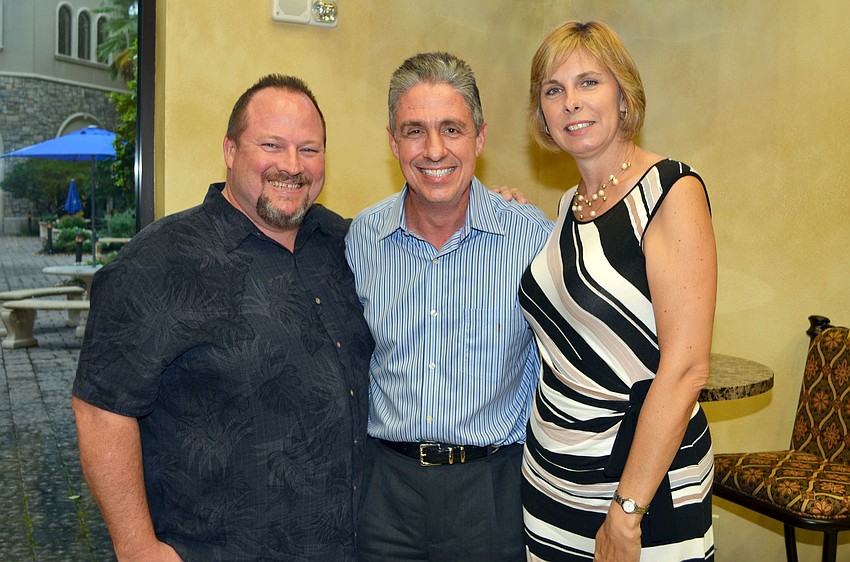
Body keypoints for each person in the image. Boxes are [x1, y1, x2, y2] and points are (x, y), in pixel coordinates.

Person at [71, 74, 374, 561]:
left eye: (310, 150)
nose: (292, 166)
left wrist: (494, 207)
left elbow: (420, 236)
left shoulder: (346, 243)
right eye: (271, 145)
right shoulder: (156, 263)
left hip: (348, 545)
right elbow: (101, 409)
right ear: (230, 150)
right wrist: (136, 547)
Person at [519, 20, 717, 561]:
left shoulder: (671, 192)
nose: (570, 103)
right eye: (552, 90)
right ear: (542, 115)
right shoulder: (566, 208)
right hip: (554, 481)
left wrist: (627, 511)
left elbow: (686, 368)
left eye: (588, 83)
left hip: (639, 490)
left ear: (623, 95)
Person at [345, 52, 553, 561]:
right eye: (414, 131)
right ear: (393, 143)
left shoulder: (534, 239)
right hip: (384, 494)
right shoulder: (359, 239)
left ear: (480, 137)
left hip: (493, 492)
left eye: (452, 129)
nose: (434, 150)